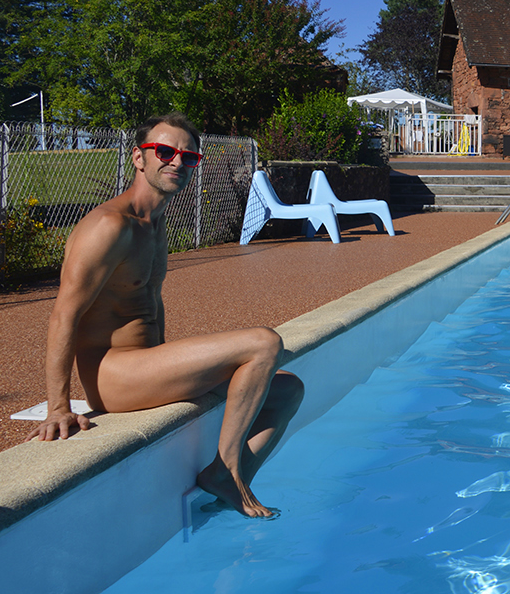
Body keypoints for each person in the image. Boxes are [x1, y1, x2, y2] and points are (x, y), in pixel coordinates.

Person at [28, 113, 304, 519]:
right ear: (139, 159)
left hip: (146, 365)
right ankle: (227, 470)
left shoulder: (154, 223)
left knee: (287, 389)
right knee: (264, 343)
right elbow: (62, 316)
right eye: (165, 152)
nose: (177, 162)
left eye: (189, 157)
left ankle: (228, 474)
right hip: (115, 377)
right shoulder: (109, 225)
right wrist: (58, 407)